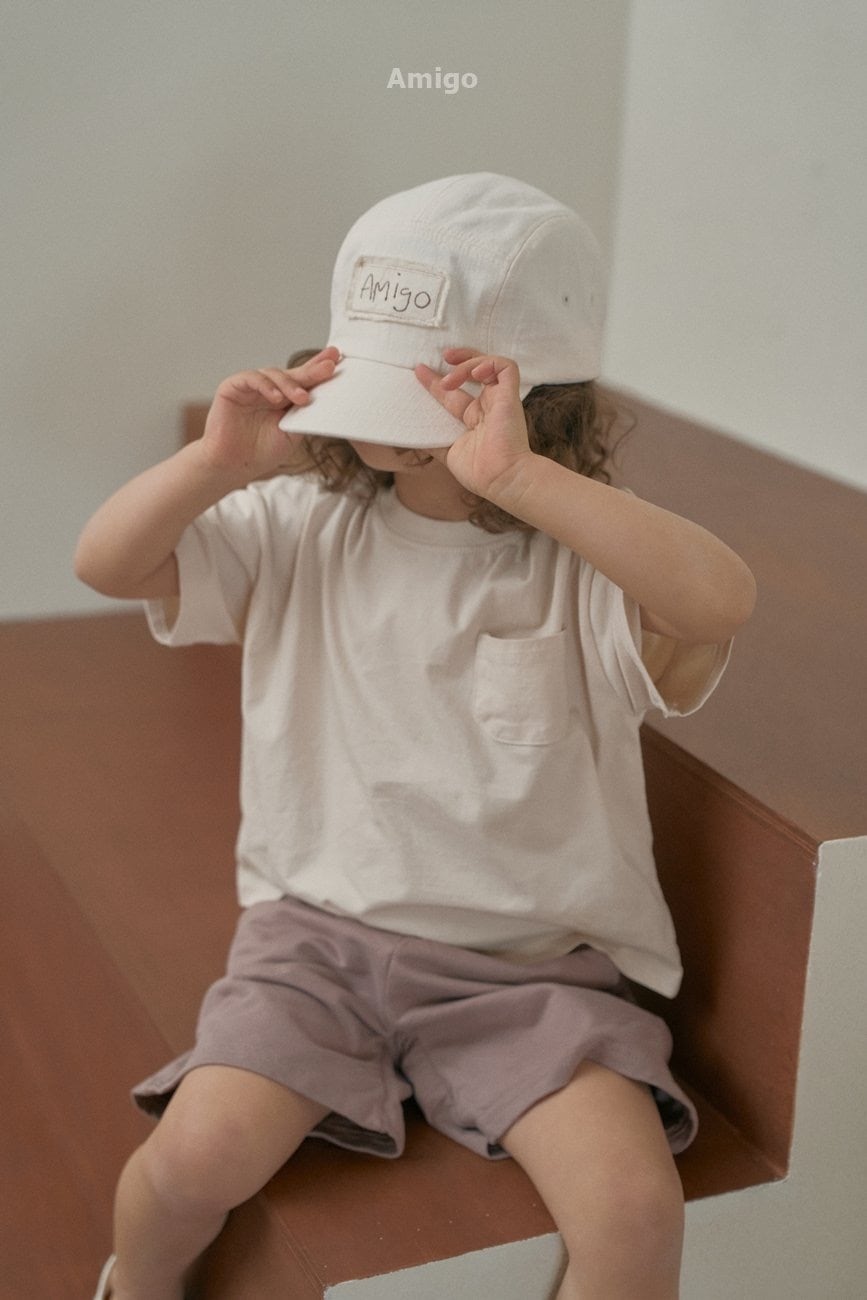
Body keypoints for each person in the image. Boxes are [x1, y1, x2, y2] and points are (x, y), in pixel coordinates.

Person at [77, 174, 756, 1300]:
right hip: (315, 950)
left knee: (634, 1211)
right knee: (192, 1159)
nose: (402, 426)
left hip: (532, 976)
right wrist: (213, 463)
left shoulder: (581, 566)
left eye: (451, 395)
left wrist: (519, 478)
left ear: (540, 402)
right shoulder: (299, 524)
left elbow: (718, 601)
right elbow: (107, 565)